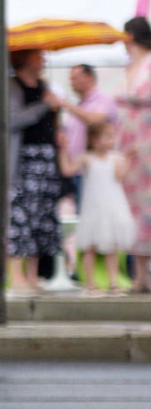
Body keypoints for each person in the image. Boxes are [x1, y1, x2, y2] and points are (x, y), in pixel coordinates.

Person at [7, 48, 62, 291]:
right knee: (21, 216)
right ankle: (16, 276)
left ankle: (33, 274)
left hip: (46, 157)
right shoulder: (12, 87)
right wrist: (43, 105)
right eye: (38, 56)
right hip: (25, 160)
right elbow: (13, 119)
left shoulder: (44, 86)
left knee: (41, 217)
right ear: (26, 58)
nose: (43, 60)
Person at [65, 120, 132, 295]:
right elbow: (68, 170)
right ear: (94, 140)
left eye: (113, 136)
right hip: (93, 209)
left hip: (111, 208)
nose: (112, 140)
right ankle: (89, 284)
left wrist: (128, 159)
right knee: (90, 247)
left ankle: (113, 283)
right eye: (108, 136)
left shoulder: (115, 158)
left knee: (111, 248)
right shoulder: (86, 158)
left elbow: (120, 176)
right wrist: (63, 149)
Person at [116, 18, 151, 292]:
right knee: (134, 210)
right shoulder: (131, 67)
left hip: (147, 144)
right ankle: (140, 276)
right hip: (129, 148)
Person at [59, 64, 119, 208]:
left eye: (75, 78)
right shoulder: (79, 105)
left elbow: (93, 120)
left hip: (98, 173)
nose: (71, 82)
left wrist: (66, 105)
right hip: (78, 170)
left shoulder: (104, 101)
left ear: (88, 77)